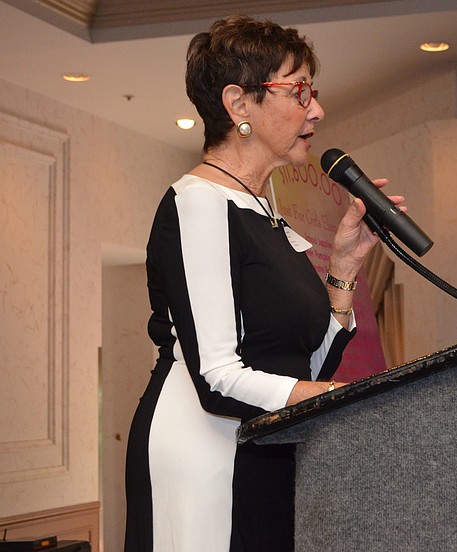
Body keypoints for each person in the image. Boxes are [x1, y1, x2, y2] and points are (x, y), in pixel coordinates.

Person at [124, 15, 404, 552]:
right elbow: (218, 379)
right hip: (205, 460)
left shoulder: (263, 212)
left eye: (312, 92)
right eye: (298, 90)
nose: (316, 109)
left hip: (266, 446)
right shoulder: (199, 205)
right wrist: (340, 398)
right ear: (239, 104)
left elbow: (303, 368)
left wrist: (343, 265)